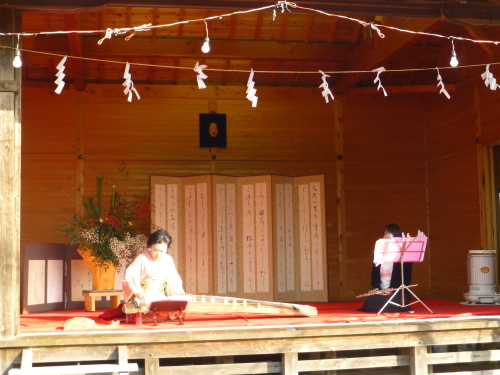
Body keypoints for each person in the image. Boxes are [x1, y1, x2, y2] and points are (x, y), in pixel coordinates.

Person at [358, 223, 413, 313]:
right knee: (371, 301)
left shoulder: (404, 255)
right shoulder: (378, 254)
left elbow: (406, 278)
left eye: (390, 234)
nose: (386, 236)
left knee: (390, 302)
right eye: (385, 234)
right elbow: (375, 274)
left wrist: (392, 289)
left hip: (397, 291)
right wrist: (375, 288)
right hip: (381, 290)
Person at [122, 229, 185, 306]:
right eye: (155, 250)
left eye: (162, 251)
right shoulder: (142, 258)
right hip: (143, 296)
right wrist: (137, 292)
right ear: (150, 246)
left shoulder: (168, 260)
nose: (158, 254)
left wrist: (180, 293)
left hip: (161, 296)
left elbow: (174, 281)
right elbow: (129, 277)